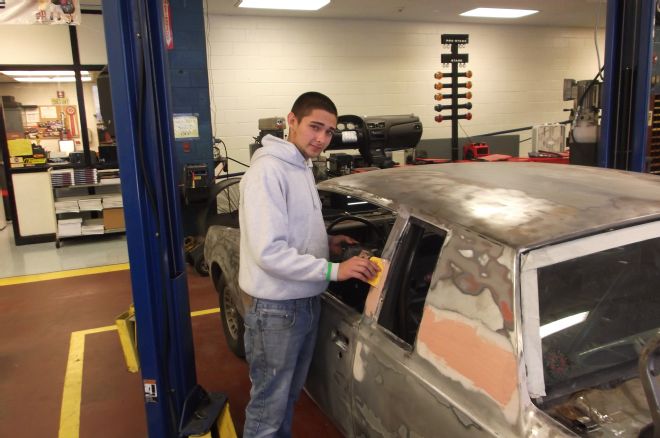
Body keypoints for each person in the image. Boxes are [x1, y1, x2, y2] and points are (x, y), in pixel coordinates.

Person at [238, 91, 379, 437]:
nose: (322, 139)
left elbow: (290, 230)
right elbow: (269, 252)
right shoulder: (268, 172)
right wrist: (335, 270)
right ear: (292, 121)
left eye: (329, 132)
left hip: (302, 303)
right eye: (315, 127)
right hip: (277, 310)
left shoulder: (300, 166)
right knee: (268, 409)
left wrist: (325, 245)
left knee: (285, 399)